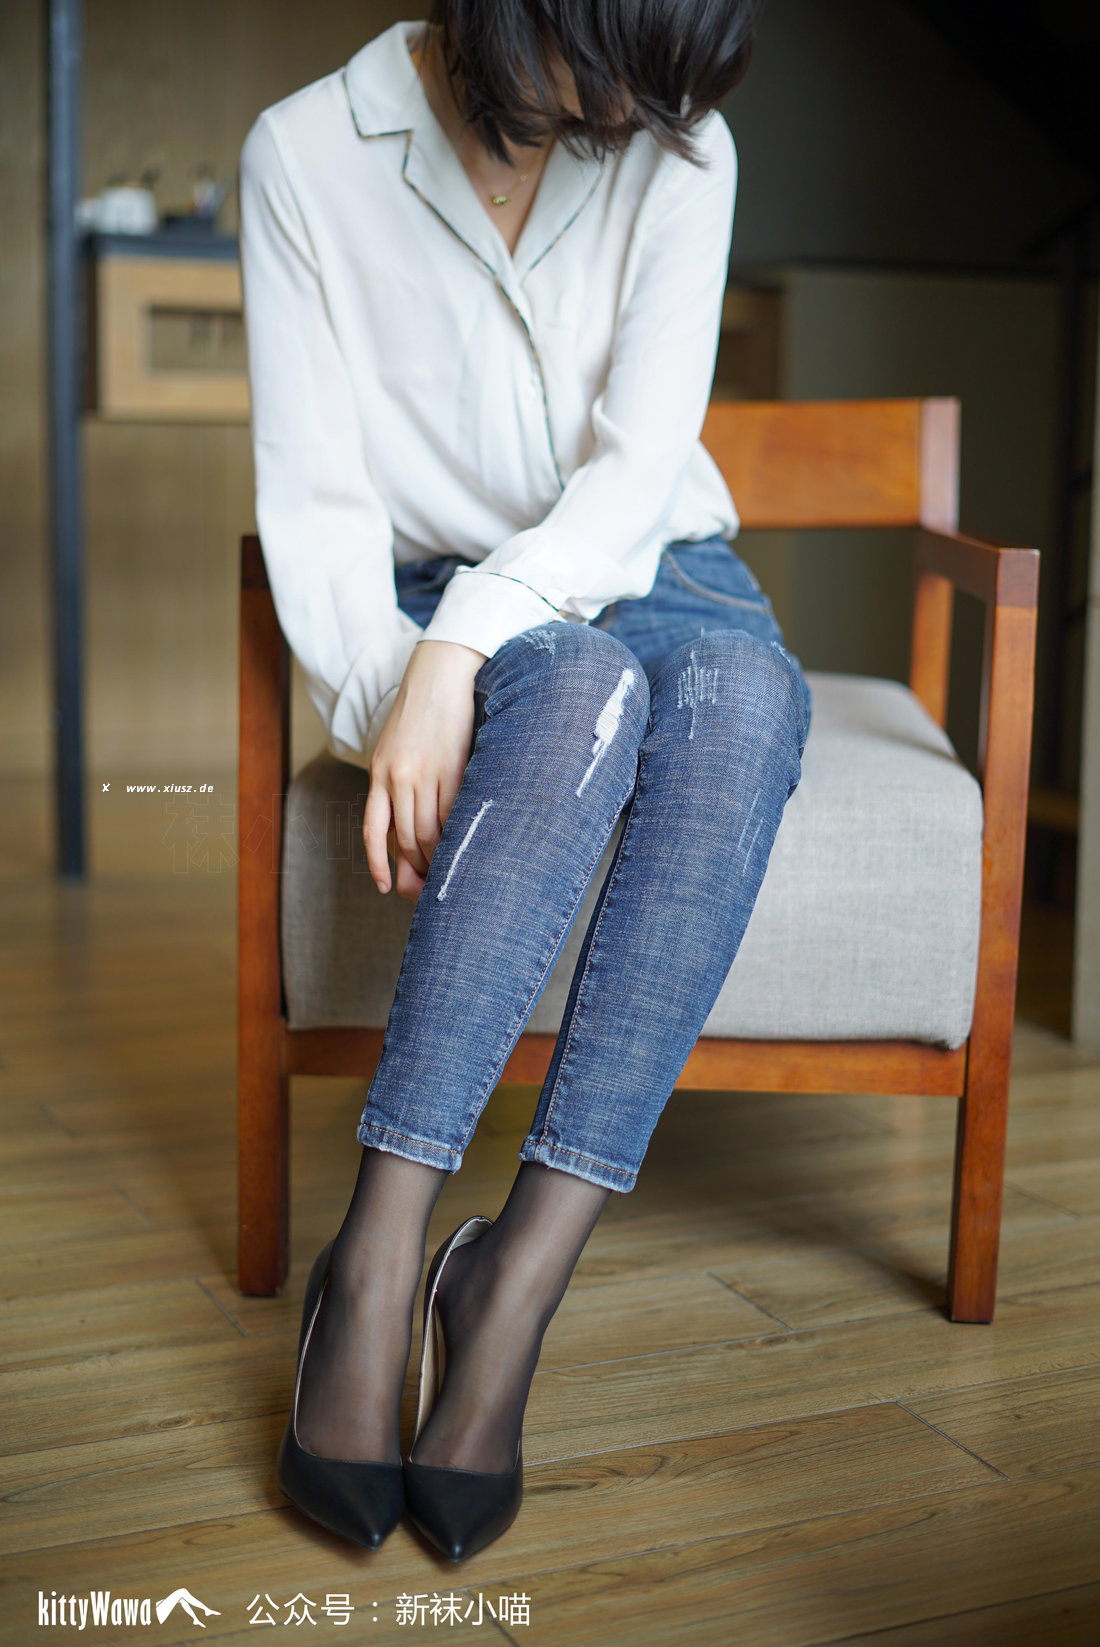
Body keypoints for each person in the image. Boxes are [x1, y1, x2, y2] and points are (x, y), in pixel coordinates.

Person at [238, 0, 810, 1563]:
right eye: (607, 67)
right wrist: (411, 675)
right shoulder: (305, 155)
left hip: (656, 562)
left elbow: (637, 476)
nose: (632, 117)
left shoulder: (676, 141)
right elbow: (317, 499)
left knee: (747, 703)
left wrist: (464, 649)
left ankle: (514, 1282)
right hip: (427, 585)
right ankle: (374, 1264)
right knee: (571, 696)